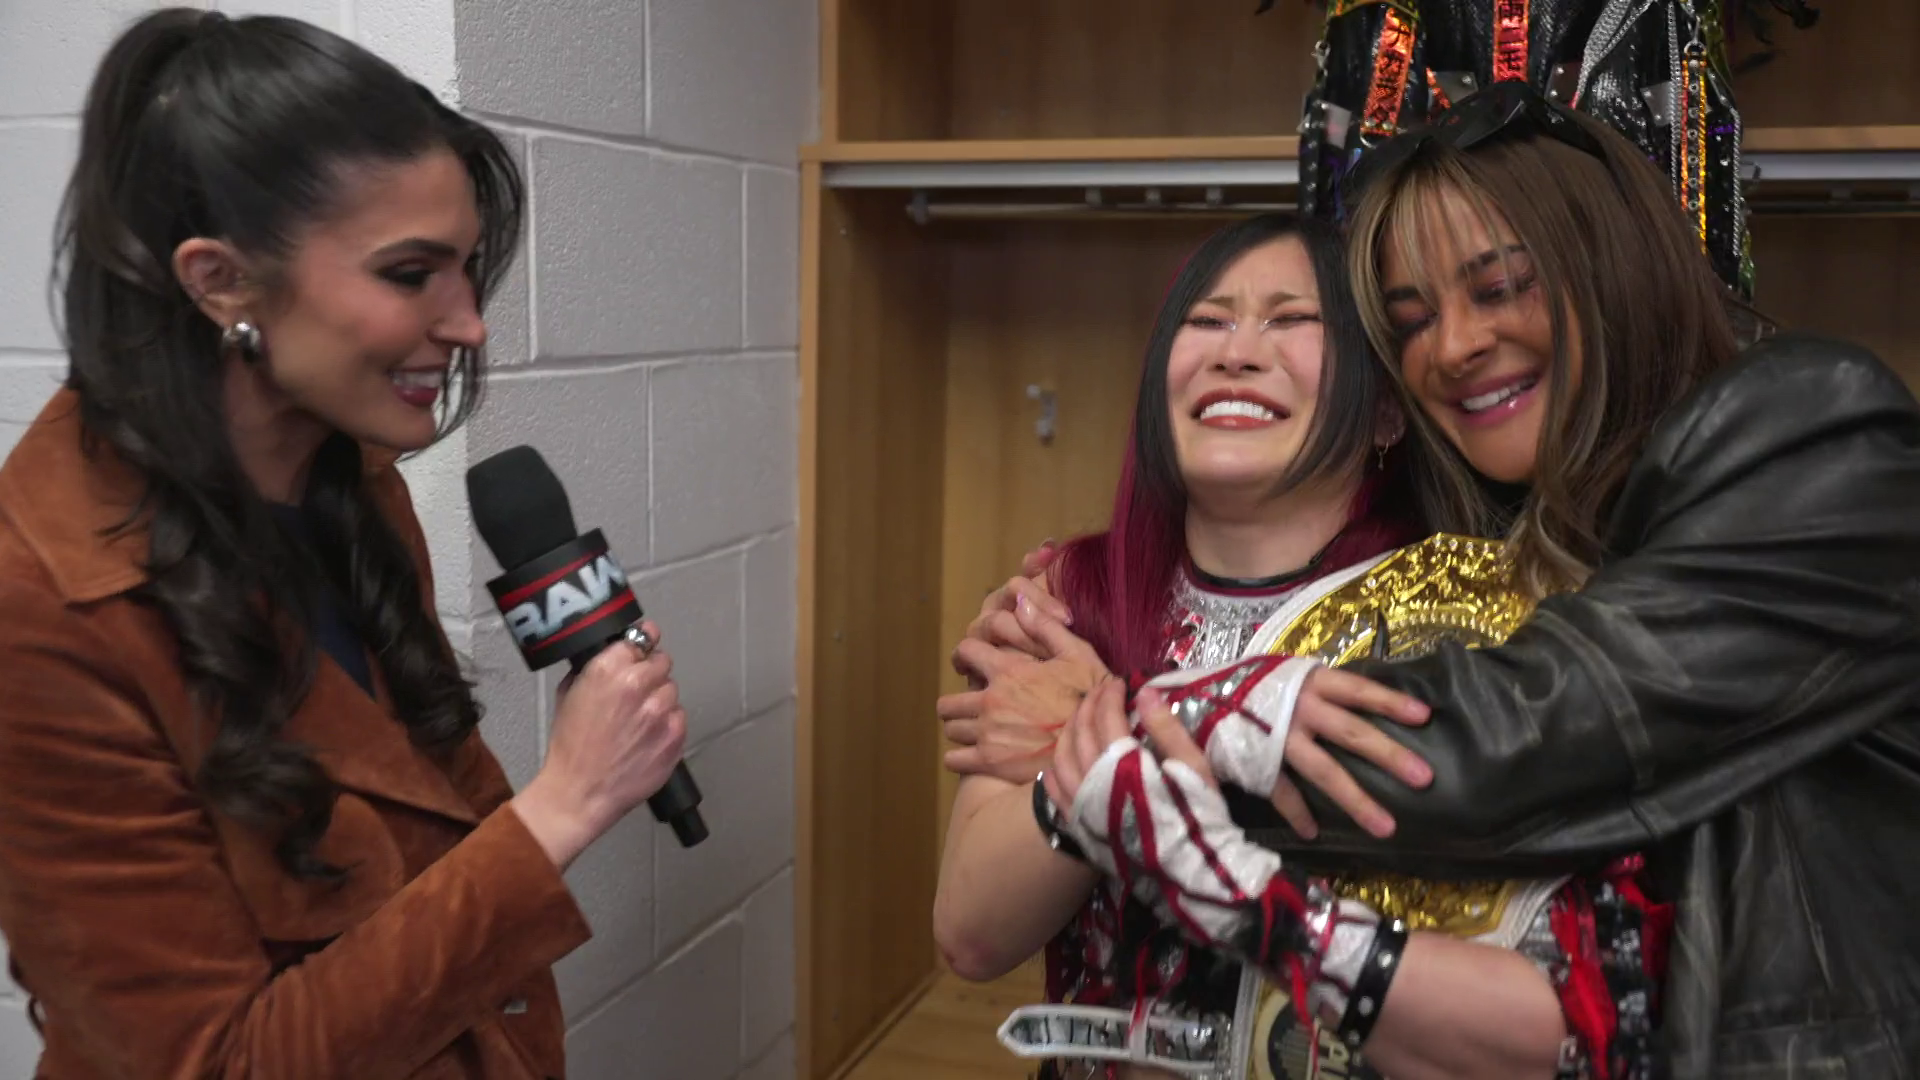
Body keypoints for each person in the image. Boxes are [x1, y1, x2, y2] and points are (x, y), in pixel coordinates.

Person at [951, 81, 1920, 1079]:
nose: (1454, 347)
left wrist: (1146, 725)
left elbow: (1539, 730)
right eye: (1412, 321)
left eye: (1499, 288)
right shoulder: (1509, 531)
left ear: (1611, 265)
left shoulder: (1813, 426)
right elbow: (968, 930)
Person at [0, 10, 688, 1077]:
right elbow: (216, 1063)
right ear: (220, 281)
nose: (468, 323)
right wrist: (568, 803)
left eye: (466, 268)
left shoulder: (351, 482)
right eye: (411, 274)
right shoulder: (37, 609)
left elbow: (436, 850)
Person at [936, 213, 1647, 1080]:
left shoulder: (1474, 613)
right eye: (1206, 321)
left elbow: (1561, 1023)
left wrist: (1095, 730)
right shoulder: (1067, 598)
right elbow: (972, 932)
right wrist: (1175, 727)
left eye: (1291, 320)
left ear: (1384, 410)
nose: (1236, 351)